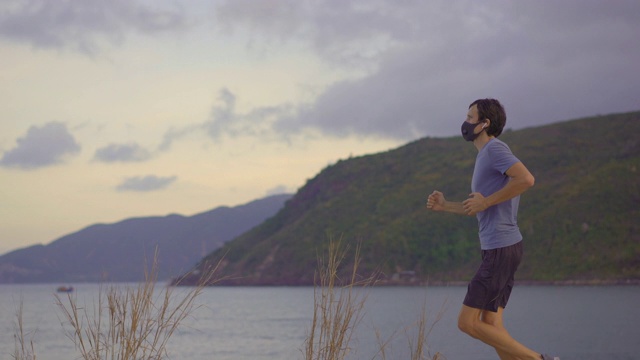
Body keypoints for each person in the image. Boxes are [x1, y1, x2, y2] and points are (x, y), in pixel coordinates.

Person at [426, 99, 558, 360]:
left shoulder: (495, 149)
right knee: (491, 324)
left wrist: (486, 200)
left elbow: (526, 179)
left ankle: (538, 359)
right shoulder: (484, 156)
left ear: (484, 123)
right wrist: (445, 206)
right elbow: (477, 207)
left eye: (470, 117)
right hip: (501, 247)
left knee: (467, 322)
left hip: (500, 247)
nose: (465, 122)